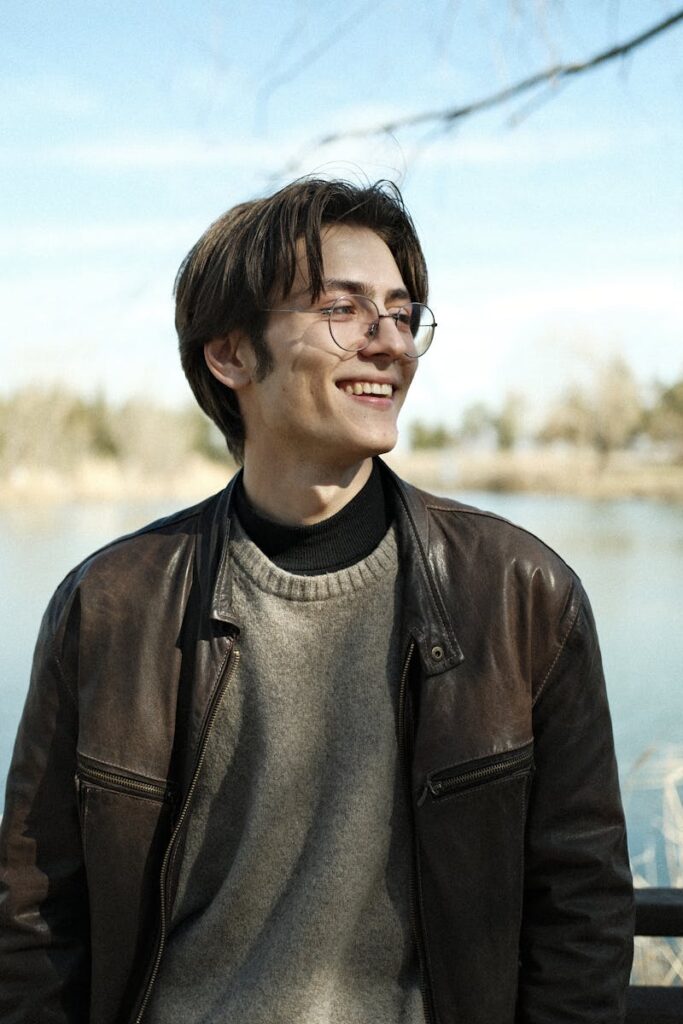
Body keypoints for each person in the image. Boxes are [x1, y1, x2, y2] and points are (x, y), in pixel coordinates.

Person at [0, 178, 633, 1024]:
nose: (389, 343)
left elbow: (580, 912)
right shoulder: (112, 606)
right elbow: (35, 916)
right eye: (344, 309)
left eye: (403, 314)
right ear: (229, 355)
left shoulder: (521, 596)